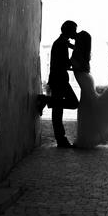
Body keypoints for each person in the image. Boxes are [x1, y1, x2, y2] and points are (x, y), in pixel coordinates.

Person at [71, 30, 108, 149]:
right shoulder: (83, 53)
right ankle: (85, 139)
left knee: (89, 107)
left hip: (85, 80)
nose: (75, 36)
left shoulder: (77, 53)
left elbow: (74, 65)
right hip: (87, 79)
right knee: (86, 108)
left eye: (78, 37)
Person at [37, 20, 79, 148]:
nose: (75, 33)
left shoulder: (61, 42)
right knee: (73, 103)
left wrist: (75, 47)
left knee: (58, 111)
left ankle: (61, 140)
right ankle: (47, 100)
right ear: (68, 31)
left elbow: (69, 46)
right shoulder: (61, 44)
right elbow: (66, 64)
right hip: (60, 79)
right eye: (74, 30)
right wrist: (78, 64)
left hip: (57, 78)